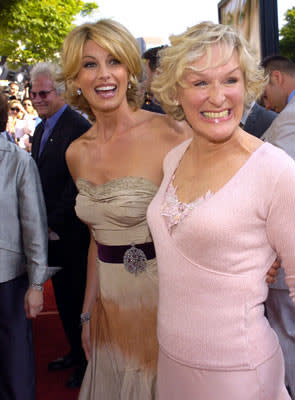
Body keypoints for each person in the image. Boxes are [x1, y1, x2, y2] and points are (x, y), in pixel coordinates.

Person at [147, 22, 294, 399]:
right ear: (176, 92)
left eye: (230, 80)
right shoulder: (172, 159)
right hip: (171, 363)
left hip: (238, 374)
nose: (218, 98)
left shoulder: (274, 170)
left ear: (247, 86)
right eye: (199, 83)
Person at [61, 19, 192, 399]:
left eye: (114, 61)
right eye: (89, 64)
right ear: (75, 79)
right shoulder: (76, 153)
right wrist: (87, 313)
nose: (104, 74)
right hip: (109, 307)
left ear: (129, 71)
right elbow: (94, 240)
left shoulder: (171, 133)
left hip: (161, 300)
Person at [30, 62, 91, 388]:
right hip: (51, 234)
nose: (37, 98)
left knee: (78, 299)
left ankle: (85, 364)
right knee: (65, 300)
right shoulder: (42, 127)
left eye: (44, 92)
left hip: (72, 235)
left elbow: (78, 184)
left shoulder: (76, 127)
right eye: (33, 92)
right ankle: (73, 352)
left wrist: (49, 221)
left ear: (61, 92)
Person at [0, 91, 49, 399]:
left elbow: (34, 226)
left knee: (14, 368)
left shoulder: (17, 161)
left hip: (8, 283)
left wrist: (37, 284)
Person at [260, 55, 295, 398]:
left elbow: (275, 194)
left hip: (286, 260)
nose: (262, 100)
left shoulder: (287, 124)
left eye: (263, 89)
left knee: (287, 334)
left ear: (277, 77)